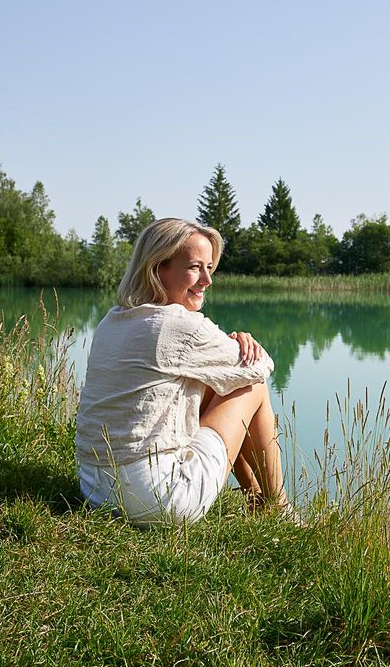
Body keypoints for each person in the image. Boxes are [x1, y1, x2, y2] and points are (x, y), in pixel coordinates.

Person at [75, 217, 289, 525]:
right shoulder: (178, 324)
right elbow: (261, 367)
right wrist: (240, 343)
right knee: (252, 387)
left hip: (96, 492)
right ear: (158, 268)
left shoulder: (112, 320)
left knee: (215, 382)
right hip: (158, 500)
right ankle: (279, 507)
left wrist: (221, 358)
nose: (207, 280)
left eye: (209, 268)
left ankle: (255, 496)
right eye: (195, 267)